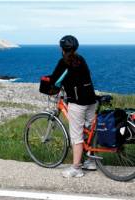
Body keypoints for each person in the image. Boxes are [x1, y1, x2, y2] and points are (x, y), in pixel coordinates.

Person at [50, 35, 97, 178]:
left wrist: (52, 86)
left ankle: (76, 168)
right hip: (91, 100)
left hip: (77, 103)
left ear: (62, 48)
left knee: (76, 136)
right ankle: (91, 161)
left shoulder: (63, 62)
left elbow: (55, 81)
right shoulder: (80, 59)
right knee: (89, 131)